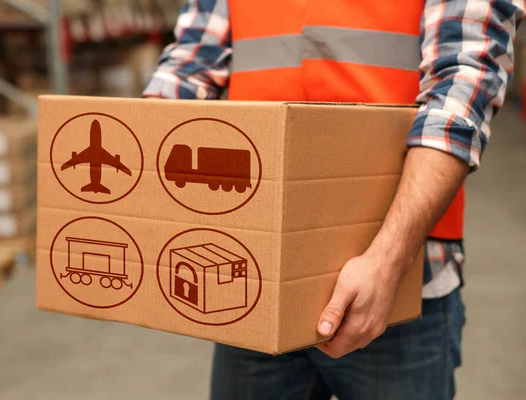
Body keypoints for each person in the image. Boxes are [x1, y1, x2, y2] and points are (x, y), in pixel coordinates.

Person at [143, 1, 524, 399]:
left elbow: (463, 87)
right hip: (254, 278)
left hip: (399, 280)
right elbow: (186, 69)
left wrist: (388, 260)